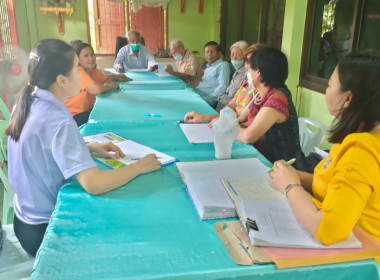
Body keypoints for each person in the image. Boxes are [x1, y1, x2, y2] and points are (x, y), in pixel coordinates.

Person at [6, 39, 162, 256]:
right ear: (61, 80)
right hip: (45, 231)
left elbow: (43, 149)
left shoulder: (28, 99)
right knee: (130, 230)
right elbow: (94, 184)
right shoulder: (58, 119)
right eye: (76, 68)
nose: (81, 73)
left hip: (23, 220)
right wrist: (139, 167)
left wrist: (88, 146)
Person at [269, 50, 380, 264]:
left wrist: (290, 187)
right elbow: (337, 184)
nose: (327, 89)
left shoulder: (361, 149)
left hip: (363, 263)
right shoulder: (357, 138)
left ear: (347, 98)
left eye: (329, 84)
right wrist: (294, 176)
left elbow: (328, 229)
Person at [237, 47, 307, 171]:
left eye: (249, 67)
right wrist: (209, 118)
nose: (247, 71)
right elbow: (241, 118)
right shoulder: (261, 93)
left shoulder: (277, 98)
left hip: (284, 168)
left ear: (258, 72)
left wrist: (224, 128)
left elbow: (248, 136)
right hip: (266, 160)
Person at [184, 43, 265, 125]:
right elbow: (232, 108)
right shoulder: (245, 84)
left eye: (250, 62)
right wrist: (206, 117)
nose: (246, 65)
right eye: (246, 61)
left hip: (233, 126)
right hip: (228, 118)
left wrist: (220, 123)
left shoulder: (262, 93)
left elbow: (247, 126)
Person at [65, 42, 129, 126]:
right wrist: (109, 87)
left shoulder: (92, 70)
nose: (91, 58)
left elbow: (106, 80)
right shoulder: (78, 71)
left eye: (92, 54)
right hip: (73, 116)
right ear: (78, 59)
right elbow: (97, 90)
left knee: (109, 112)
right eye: (86, 56)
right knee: (104, 119)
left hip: (86, 111)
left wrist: (115, 77)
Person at [215, 40, 249, 112]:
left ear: (245, 56)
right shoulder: (237, 71)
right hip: (222, 103)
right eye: (232, 54)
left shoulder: (247, 74)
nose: (234, 58)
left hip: (230, 108)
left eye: (238, 54)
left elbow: (240, 100)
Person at [195, 41, 230, 108]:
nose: (209, 54)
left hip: (206, 100)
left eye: (212, 52)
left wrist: (209, 99)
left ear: (219, 53)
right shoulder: (208, 66)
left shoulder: (222, 65)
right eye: (207, 52)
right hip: (198, 94)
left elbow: (223, 86)